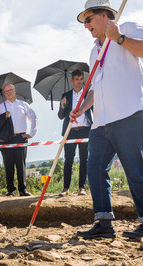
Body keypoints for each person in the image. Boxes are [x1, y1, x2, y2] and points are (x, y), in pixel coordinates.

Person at [73, 0, 143, 239]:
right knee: (95, 169)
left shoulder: (129, 28)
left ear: (104, 16)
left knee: (134, 168)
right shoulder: (94, 51)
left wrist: (119, 37)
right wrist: (82, 108)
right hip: (101, 120)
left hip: (130, 112)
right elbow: (95, 89)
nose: (86, 26)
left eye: (88, 19)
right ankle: (103, 221)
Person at [0, 83, 38, 197]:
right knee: (8, 165)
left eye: (10, 90)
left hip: (20, 137)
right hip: (6, 139)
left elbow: (34, 117)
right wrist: (4, 116)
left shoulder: (23, 104)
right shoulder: (1, 107)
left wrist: (31, 134)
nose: (8, 93)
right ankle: (10, 190)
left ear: (15, 91)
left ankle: (23, 190)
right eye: (6, 92)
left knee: (21, 164)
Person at [58, 69, 92, 197]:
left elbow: (95, 110)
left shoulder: (89, 94)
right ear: (72, 80)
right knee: (68, 160)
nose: (79, 82)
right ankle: (65, 188)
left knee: (84, 159)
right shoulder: (65, 95)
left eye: (81, 79)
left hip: (85, 130)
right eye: (76, 79)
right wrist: (62, 106)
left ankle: (81, 188)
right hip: (70, 131)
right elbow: (61, 116)